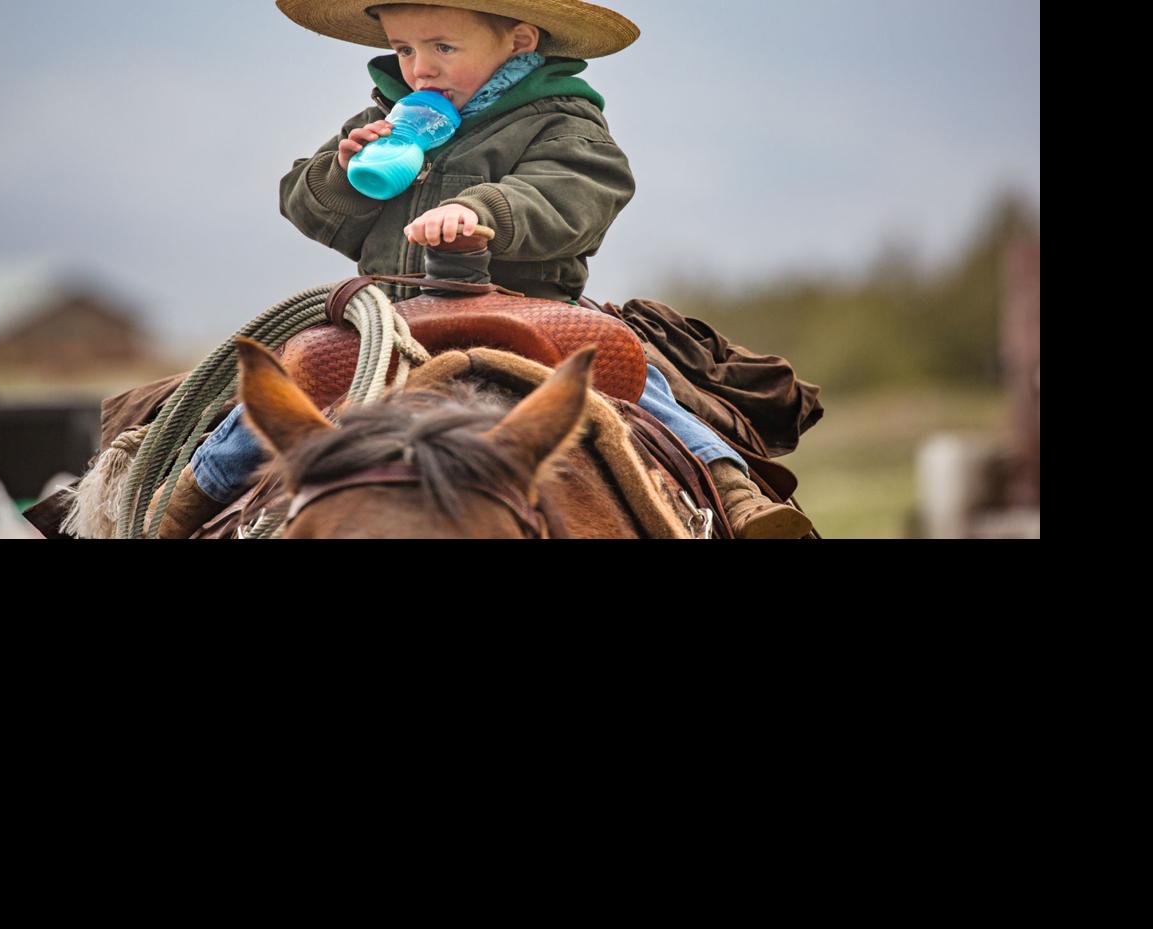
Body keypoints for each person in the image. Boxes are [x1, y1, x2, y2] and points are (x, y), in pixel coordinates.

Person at [153, 0, 815, 538]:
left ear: (519, 40)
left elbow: (574, 191)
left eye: (443, 47)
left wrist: (479, 209)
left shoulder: (562, 120)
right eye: (407, 50)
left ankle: (730, 489)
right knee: (279, 391)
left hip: (529, 306)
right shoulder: (384, 121)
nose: (420, 69)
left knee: (635, 381)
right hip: (391, 314)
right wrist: (344, 173)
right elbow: (304, 203)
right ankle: (174, 510)